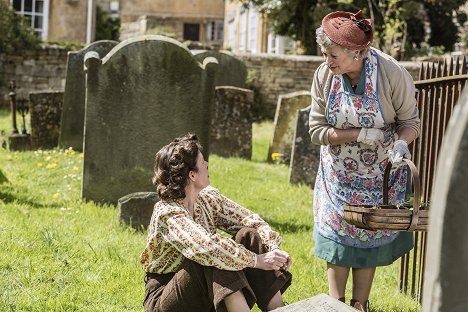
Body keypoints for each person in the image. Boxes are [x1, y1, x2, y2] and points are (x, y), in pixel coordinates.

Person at [308, 10, 420, 312]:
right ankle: (335, 304)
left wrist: (400, 143)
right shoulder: (324, 76)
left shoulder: (392, 74)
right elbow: (316, 130)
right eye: (324, 54)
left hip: (379, 174)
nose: (327, 62)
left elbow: (411, 122)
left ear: (358, 52)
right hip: (338, 174)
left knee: (368, 234)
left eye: (333, 56)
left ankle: (359, 305)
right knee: (337, 239)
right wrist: (357, 134)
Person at [140, 134, 292, 312]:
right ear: (192, 175)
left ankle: (278, 309)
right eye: (203, 162)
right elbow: (206, 247)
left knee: (247, 235)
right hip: (165, 298)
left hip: (208, 291)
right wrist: (256, 260)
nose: (206, 165)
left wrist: (273, 249)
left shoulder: (207, 198)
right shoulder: (167, 212)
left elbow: (251, 221)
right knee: (214, 255)